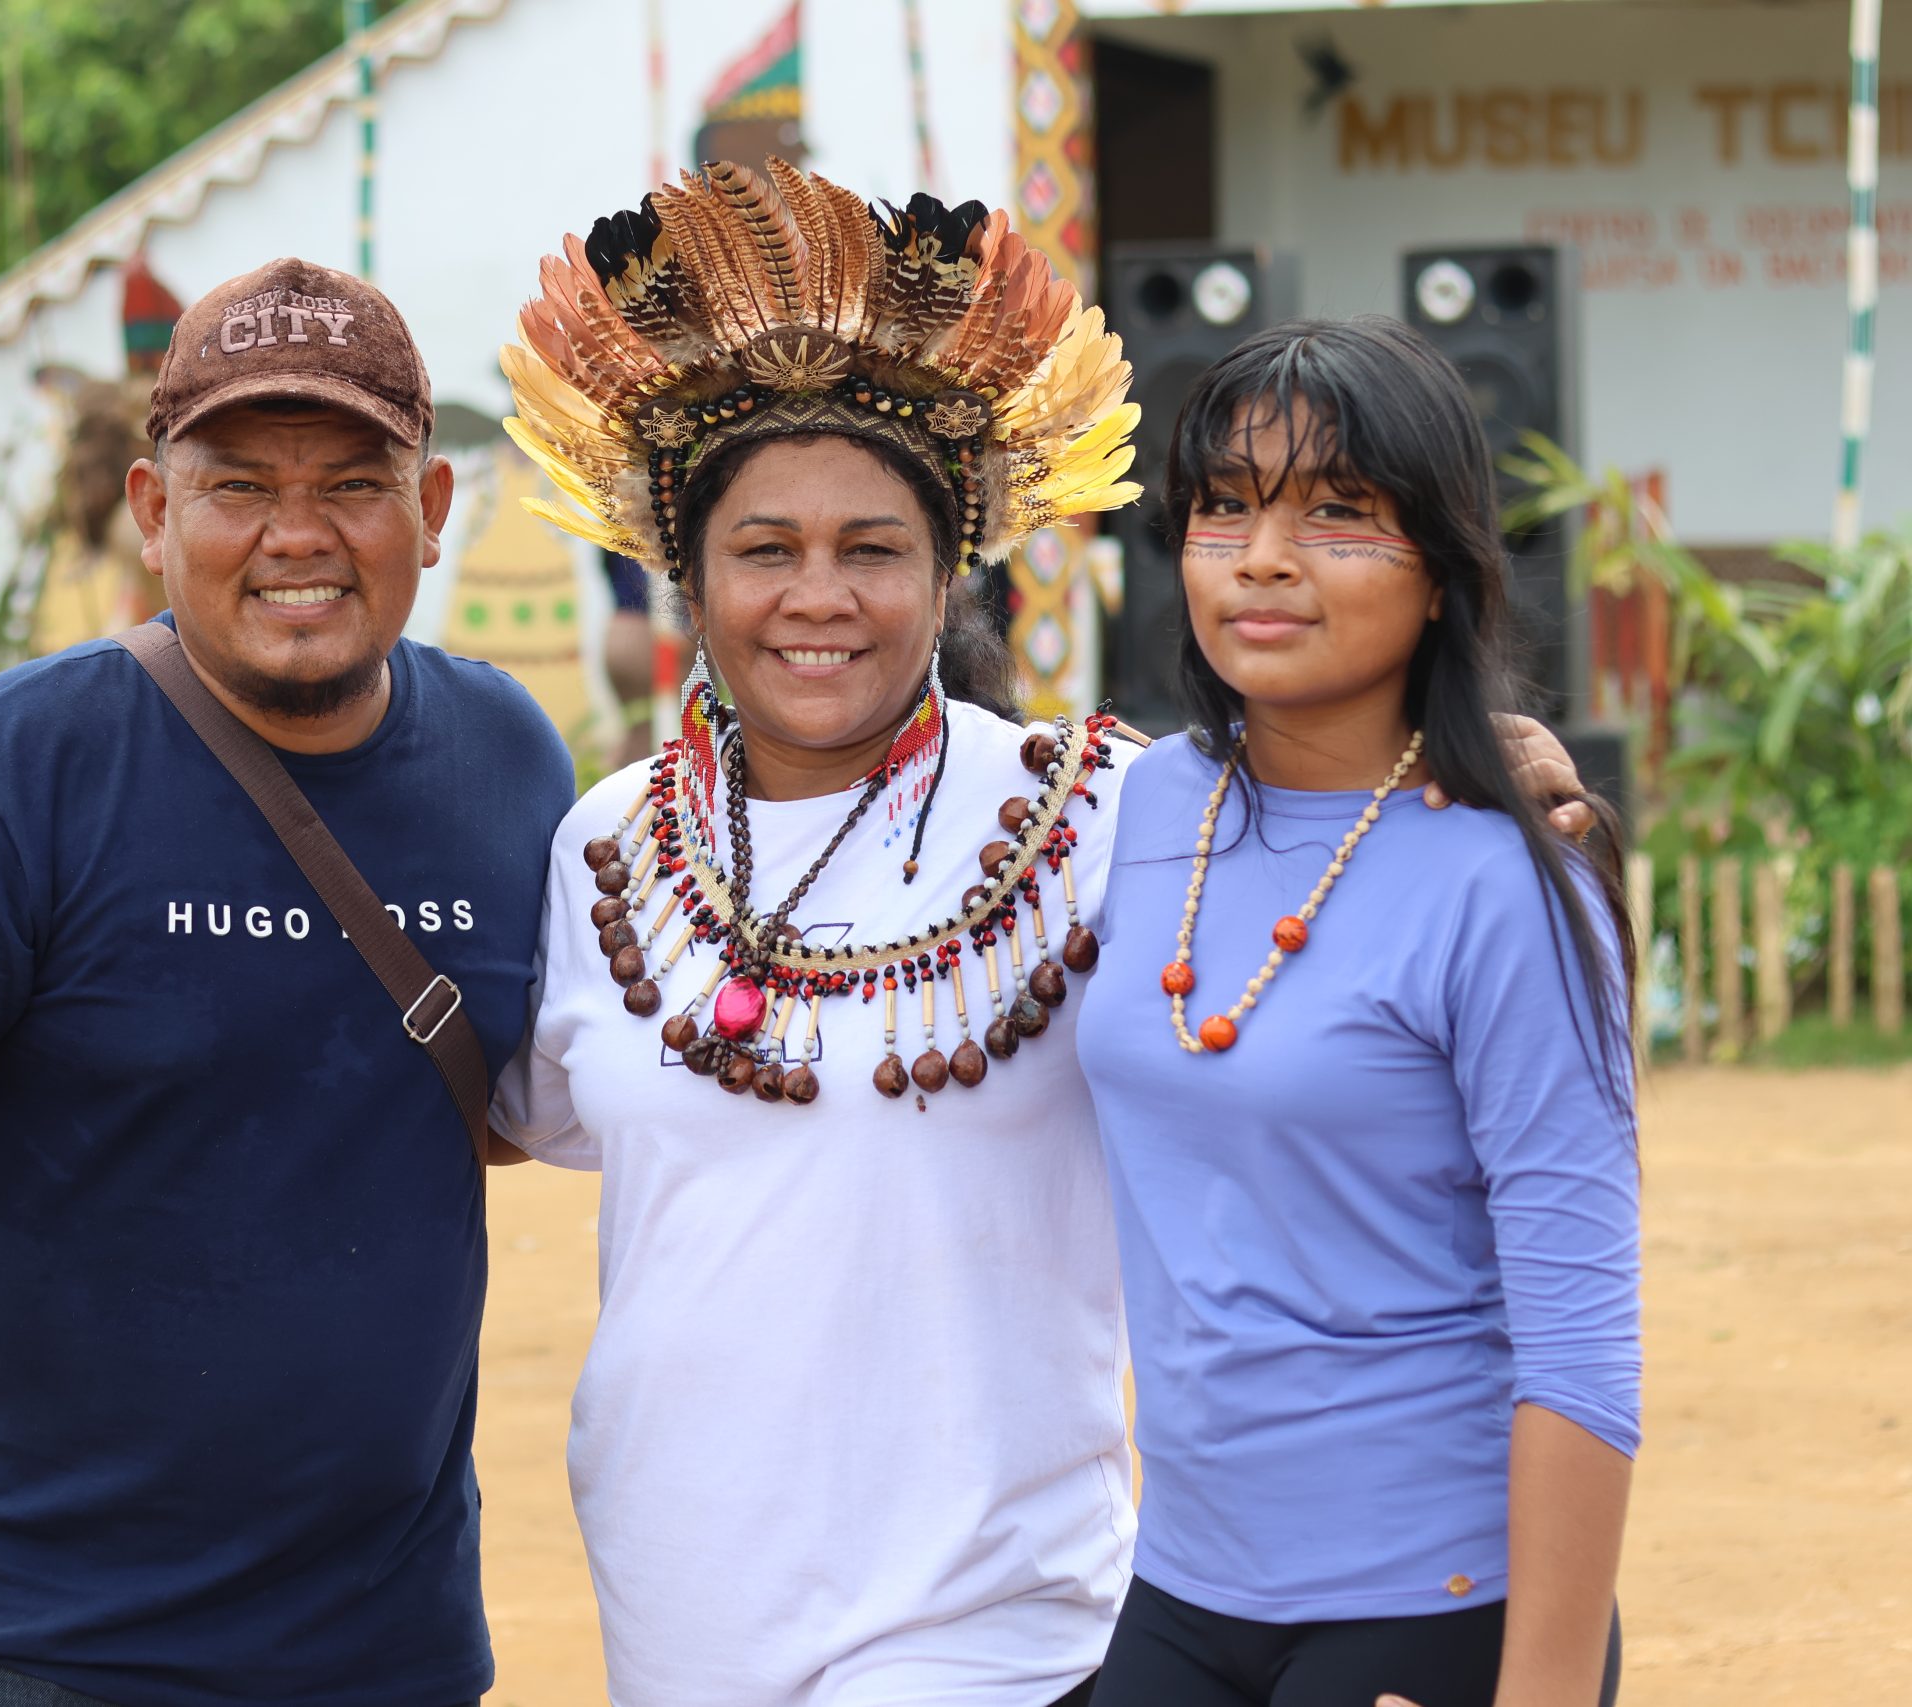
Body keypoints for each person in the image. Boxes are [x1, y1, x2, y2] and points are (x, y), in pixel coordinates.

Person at [488, 165, 1593, 1706]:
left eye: (873, 548)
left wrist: (1497, 760)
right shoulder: (604, 846)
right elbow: (522, 1115)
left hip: (1006, 1639)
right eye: (764, 551)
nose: (821, 598)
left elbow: (1351, 813)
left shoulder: (1108, 818)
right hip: (679, 1624)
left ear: (950, 571)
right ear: (689, 575)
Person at [0, 257, 575, 1707]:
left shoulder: (509, 763)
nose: (296, 535)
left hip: (387, 1649)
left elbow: (495, 1097)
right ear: (153, 511)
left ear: (431, 515)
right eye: (238, 486)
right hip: (36, 1642)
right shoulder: (11, 774)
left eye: (352, 484)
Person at [1075, 317, 1640, 1707]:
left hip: (1432, 1607)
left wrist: (1544, 1695)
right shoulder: (1143, 802)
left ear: (1443, 571)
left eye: (1340, 513)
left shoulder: (1505, 880)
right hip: (1183, 1582)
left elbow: (1581, 1339)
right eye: (1225, 508)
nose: (1265, 557)